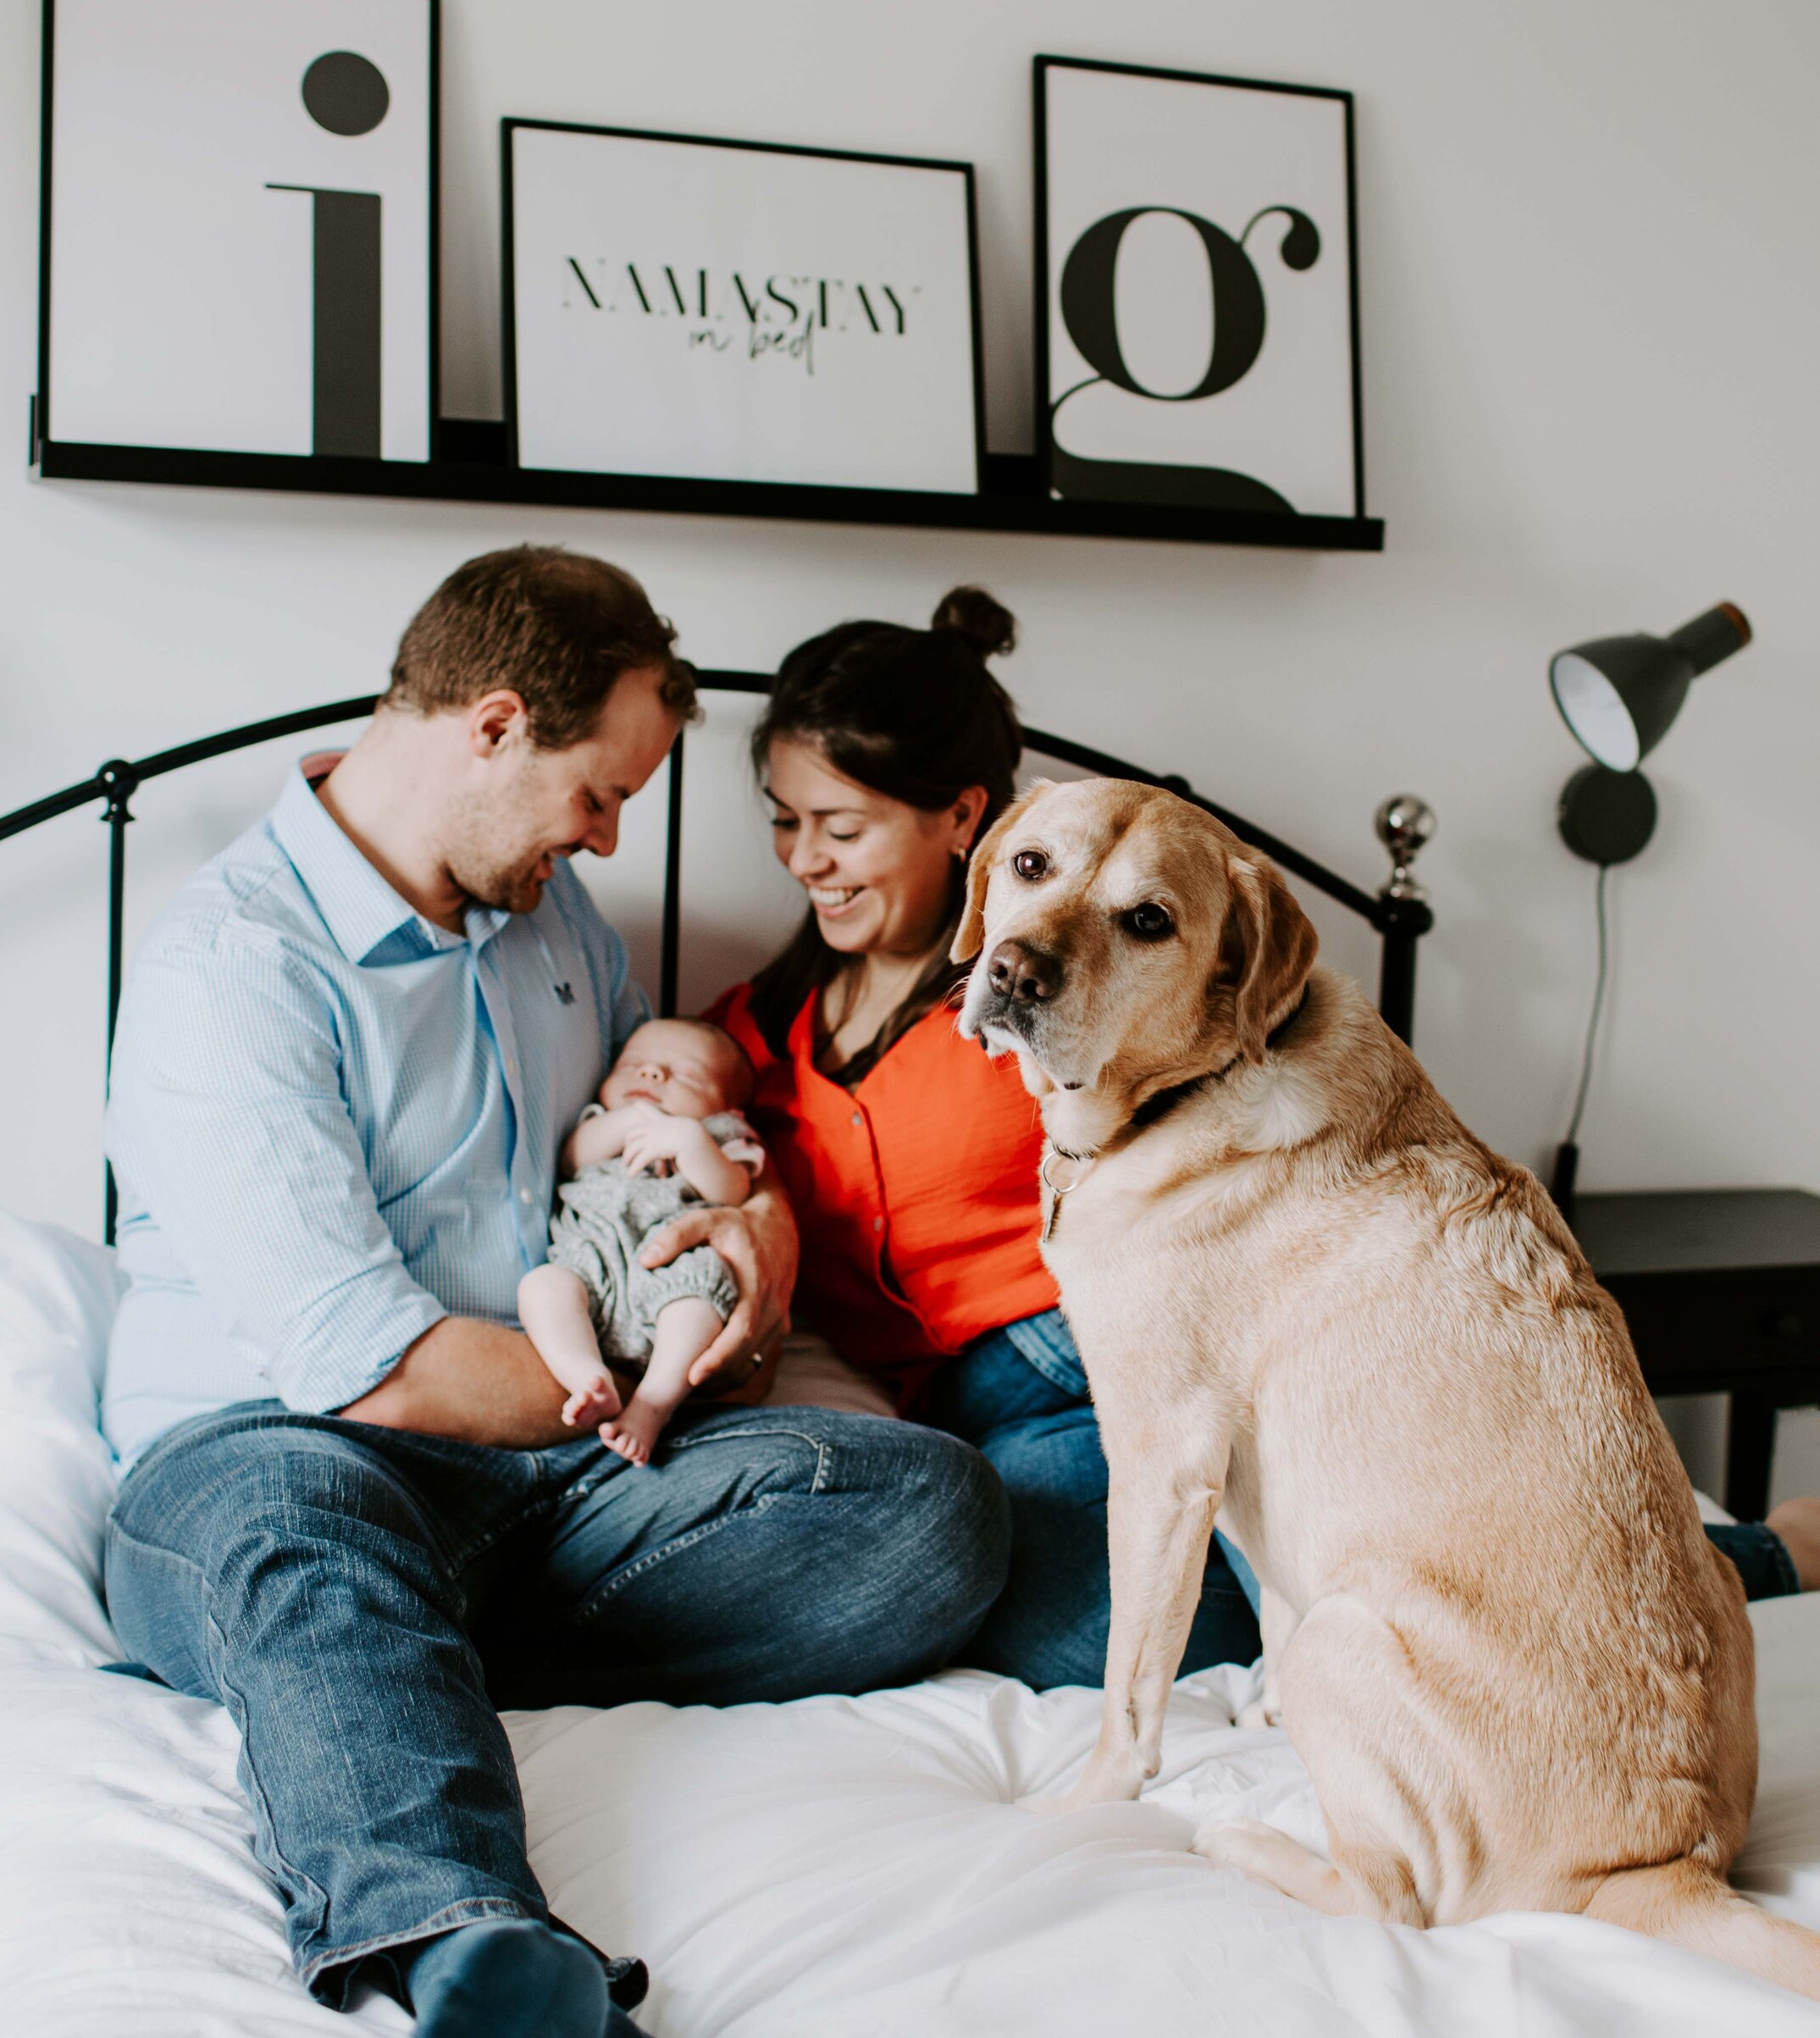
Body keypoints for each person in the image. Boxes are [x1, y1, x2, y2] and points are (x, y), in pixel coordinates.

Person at [97, 548, 1008, 2038]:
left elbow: (669, 1134)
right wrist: (649, 1380)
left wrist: (758, 1236)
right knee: (305, 1531)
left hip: (548, 1484)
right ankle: (470, 1939)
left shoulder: (554, 924)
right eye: (599, 794)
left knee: (926, 1505)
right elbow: (372, 1368)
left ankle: (383, 1657)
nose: (606, 837)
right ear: (497, 725)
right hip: (289, 1446)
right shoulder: (237, 964)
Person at [708, 584, 1820, 1691]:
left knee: (1177, 1594)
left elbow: (1273, 1130)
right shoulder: (753, 1030)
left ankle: (1743, 1563)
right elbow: (681, 1156)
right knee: (1015, 1601)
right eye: (784, 820)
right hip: (954, 1413)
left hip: (1104, 1353)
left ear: (967, 823)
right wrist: (747, 1201)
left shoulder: (1090, 998)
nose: (805, 859)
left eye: (842, 828)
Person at [517, 1016, 766, 1465]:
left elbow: (733, 1191)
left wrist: (691, 1142)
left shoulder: (719, 1136)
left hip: (671, 1269)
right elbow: (572, 1158)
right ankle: (587, 1376)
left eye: (686, 1075)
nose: (652, 1074)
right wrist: (628, 1120)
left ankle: (653, 1403)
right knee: (542, 1286)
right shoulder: (602, 1121)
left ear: (730, 1111)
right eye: (633, 1065)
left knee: (700, 1302)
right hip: (589, 1263)